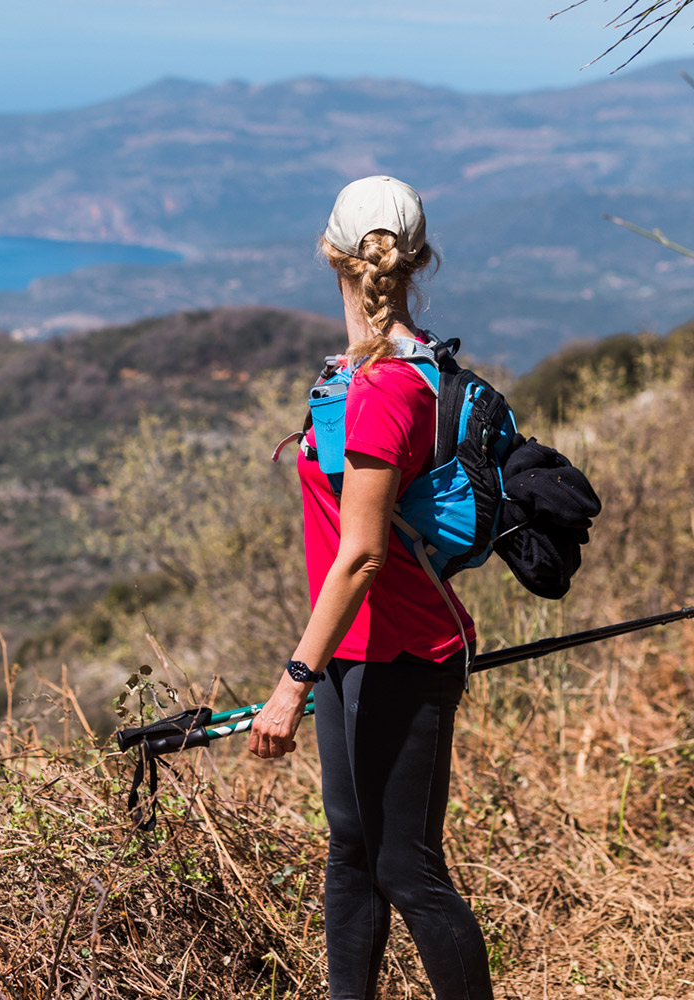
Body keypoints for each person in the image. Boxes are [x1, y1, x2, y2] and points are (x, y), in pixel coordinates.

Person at [248, 175, 494, 1000]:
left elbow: (360, 556)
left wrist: (292, 682)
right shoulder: (358, 373)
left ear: (331, 257)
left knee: (407, 871)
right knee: (352, 851)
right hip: (359, 651)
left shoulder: (387, 388)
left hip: (404, 650)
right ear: (418, 259)